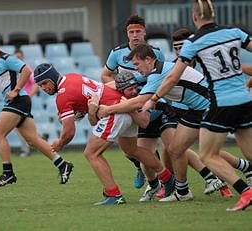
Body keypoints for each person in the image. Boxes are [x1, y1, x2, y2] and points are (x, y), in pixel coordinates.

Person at [142, 0, 252, 211]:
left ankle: (245, 192)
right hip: (244, 100)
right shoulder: (234, 32)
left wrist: (154, 98)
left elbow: (173, 77)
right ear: (215, 13)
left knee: (207, 155)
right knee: (177, 148)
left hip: (220, 102)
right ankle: (183, 192)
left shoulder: (194, 41)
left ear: (194, 16)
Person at [33, 63, 175, 205]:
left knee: (91, 153)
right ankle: (168, 178)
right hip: (122, 107)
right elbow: (84, 103)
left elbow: (69, 132)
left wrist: (60, 143)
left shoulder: (63, 95)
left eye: (45, 83)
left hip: (113, 111)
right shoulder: (72, 77)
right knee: (132, 150)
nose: (44, 88)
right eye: (40, 85)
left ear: (52, 77)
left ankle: (114, 195)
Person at [113, 71, 233, 201]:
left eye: (135, 87)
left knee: (176, 148)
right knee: (144, 156)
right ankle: (154, 186)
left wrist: (127, 107)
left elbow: (143, 121)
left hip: (163, 115)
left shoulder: (142, 93)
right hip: (145, 123)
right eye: (130, 89)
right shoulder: (117, 95)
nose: (135, 91)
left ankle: (210, 178)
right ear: (121, 90)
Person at [0, 32, 73, 187]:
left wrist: (15, 90)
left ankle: (8, 173)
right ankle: (62, 164)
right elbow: (9, 80)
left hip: (18, 101)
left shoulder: (6, 58)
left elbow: (26, 70)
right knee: (32, 140)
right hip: (21, 101)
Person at [101, 14, 166, 189]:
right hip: (126, 102)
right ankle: (140, 167)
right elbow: (105, 75)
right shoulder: (117, 53)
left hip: (147, 102)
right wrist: (119, 87)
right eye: (131, 32)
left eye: (138, 31)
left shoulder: (156, 52)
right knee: (128, 150)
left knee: (145, 146)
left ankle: (162, 181)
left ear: (144, 31)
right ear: (127, 33)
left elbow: (163, 78)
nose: (135, 35)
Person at [14, 49, 39, 156]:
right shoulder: (13, 70)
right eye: (16, 57)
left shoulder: (27, 69)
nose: (18, 59)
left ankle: (25, 150)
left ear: (22, 58)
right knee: (23, 125)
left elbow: (36, 84)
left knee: (17, 125)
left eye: (19, 57)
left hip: (23, 100)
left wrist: (29, 96)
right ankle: (41, 139)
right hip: (16, 100)